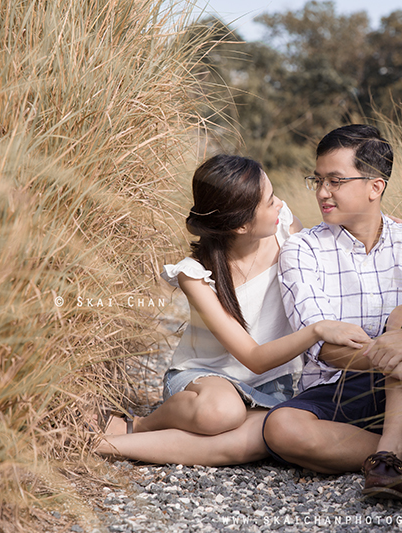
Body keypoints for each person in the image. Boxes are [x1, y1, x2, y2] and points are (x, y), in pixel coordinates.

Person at [94, 155, 369, 466]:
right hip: (204, 381)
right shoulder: (195, 274)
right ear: (241, 225)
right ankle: (141, 424)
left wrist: (377, 225)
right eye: (269, 201)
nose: (279, 203)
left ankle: (107, 444)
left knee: (252, 443)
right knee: (222, 412)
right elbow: (254, 357)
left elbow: (332, 244)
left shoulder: (286, 231)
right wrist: (317, 330)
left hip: (271, 387)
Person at [262, 125, 402, 501]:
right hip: (342, 388)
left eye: (336, 180)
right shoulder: (302, 250)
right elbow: (321, 346)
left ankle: (387, 456)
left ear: (375, 187)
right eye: (318, 180)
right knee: (281, 427)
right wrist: (393, 358)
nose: (323, 193)